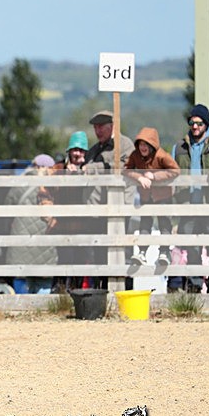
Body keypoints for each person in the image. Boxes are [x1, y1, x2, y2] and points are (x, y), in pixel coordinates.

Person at [170, 104, 209, 293]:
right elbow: (170, 171)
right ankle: (194, 287)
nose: (195, 126)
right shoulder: (179, 148)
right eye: (192, 122)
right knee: (191, 247)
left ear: (206, 124)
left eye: (199, 123)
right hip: (187, 204)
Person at [82, 110, 135, 289]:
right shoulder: (94, 149)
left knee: (121, 254)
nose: (97, 131)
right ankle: (100, 293)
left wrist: (93, 168)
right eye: (95, 127)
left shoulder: (125, 145)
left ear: (112, 126)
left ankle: (124, 294)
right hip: (96, 211)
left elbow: (125, 167)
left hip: (119, 209)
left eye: (101, 126)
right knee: (98, 255)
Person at [123, 127, 179, 266]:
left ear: (152, 145)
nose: (143, 147)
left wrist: (154, 176)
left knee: (165, 224)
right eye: (140, 144)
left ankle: (165, 252)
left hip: (163, 195)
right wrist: (139, 177)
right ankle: (142, 252)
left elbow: (175, 170)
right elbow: (126, 169)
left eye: (146, 144)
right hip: (146, 196)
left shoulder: (162, 155)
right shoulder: (135, 155)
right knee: (145, 224)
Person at [5, 154, 58, 294]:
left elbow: (6, 209)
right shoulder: (54, 184)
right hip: (46, 244)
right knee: (43, 287)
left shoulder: (20, 182)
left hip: (20, 244)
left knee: (22, 286)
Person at [49, 131, 90, 290]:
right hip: (61, 225)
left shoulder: (90, 170)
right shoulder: (58, 168)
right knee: (63, 261)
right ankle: (57, 298)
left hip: (83, 226)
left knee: (80, 264)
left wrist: (83, 173)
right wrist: (49, 217)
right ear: (69, 151)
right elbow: (44, 192)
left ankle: (75, 296)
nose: (77, 153)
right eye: (74, 149)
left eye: (80, 150)